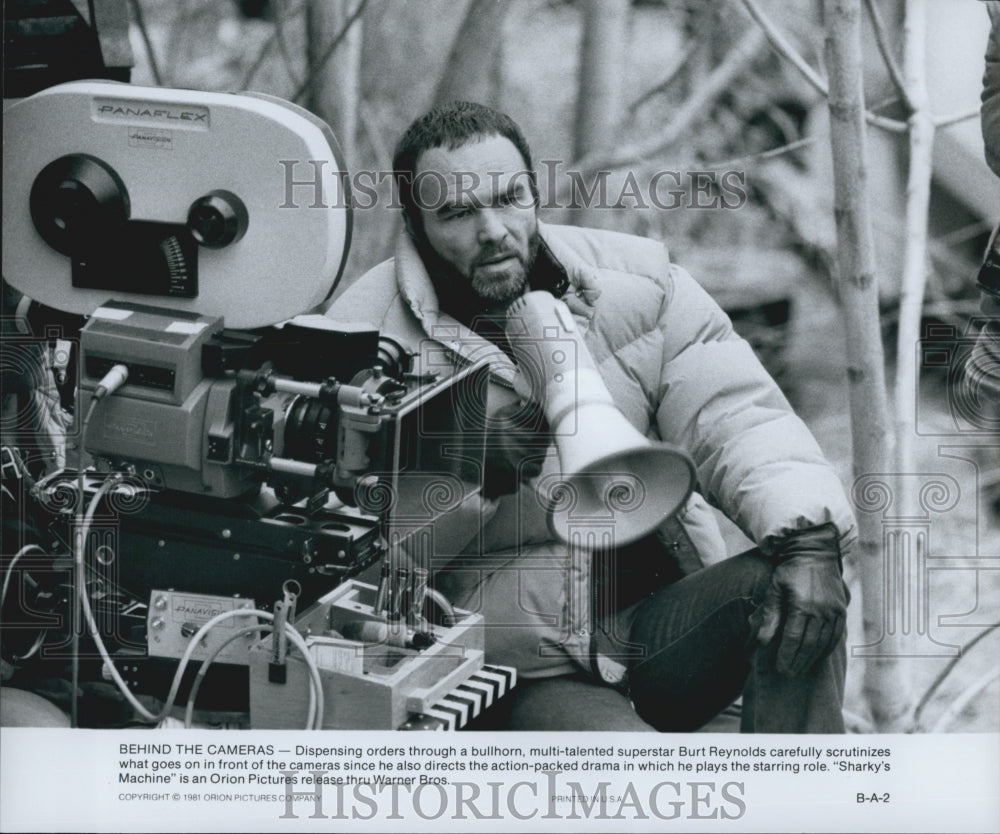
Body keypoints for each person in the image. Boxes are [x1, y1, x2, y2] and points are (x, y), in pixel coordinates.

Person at [324, 101, 856, 732]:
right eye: (458, 213)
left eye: (510, 197)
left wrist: (809, 535)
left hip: (657, 617)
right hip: (515, 662)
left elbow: (737, 416)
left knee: (797, 593)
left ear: (535, 191)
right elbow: (345, 567)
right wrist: (467, 473)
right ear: (415, 222)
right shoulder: (363, 337)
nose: (493, 229)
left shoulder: (639, 282)